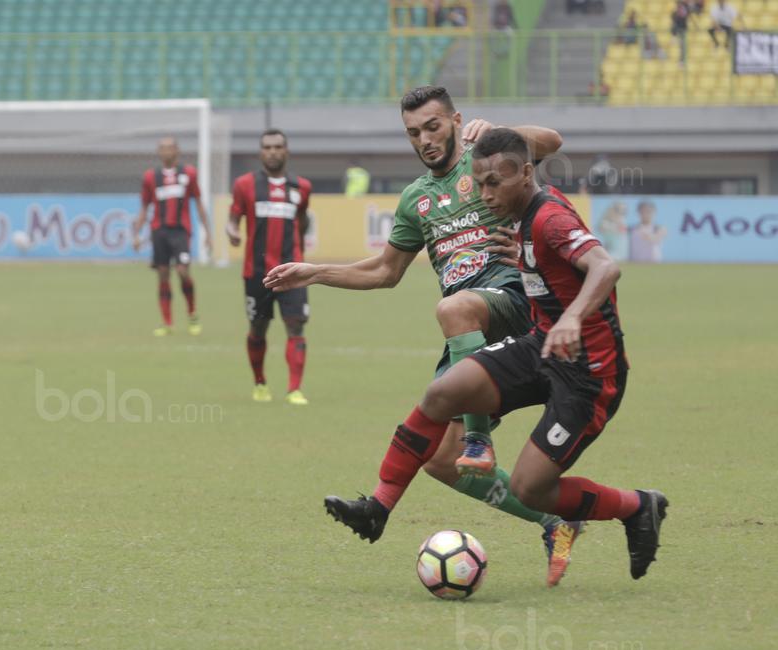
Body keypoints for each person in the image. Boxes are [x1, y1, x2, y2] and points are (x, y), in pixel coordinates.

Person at [264, 86, 584, 586]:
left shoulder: (488, 160)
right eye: (414, 132)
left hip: (518, 306)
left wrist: (502, 132)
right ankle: (554, 521)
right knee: (439, 460)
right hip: (470, 328)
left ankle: (477, 440)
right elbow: (385, 271)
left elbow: (553, 140)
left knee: (454, 308)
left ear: (456, 120)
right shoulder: (416, 199)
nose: (425, 139)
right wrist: (314, 272)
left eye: (433, 126)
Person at [329, 128, 668, 582]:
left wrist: (572, 318)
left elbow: (605, 267)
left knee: (532, 488)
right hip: (541, 346)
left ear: (527, 173)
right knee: (443, 393)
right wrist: (528, 266)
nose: (485, 195)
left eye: (495, 183)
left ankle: (636, 506)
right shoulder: (522, 218)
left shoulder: (548, 219)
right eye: (479, 183)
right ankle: (379, 506)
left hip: (588, 373)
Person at [228, 128, 313, 406]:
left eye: (278, 146)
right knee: (258, 329)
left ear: (286, 151)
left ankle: (294, 389)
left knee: (296, 327)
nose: (273, 151)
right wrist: (232, 232)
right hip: (257, 273)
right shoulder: (244, 185)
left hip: (293, 271)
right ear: (260, 152)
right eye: (267, 147)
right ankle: (260, 383)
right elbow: (233, 217)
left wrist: (300, 254)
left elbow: (302, 221)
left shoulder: (301, 186)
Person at [131, 136, 211, 337]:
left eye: (169, 148)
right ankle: (167, 323)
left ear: (177, 150)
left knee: (183, 271)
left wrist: (208, 233)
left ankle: (192, 314)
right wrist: (137, 234)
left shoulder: (189, 174)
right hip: (159, 231)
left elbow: (199, 203)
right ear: (159, 152)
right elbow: (144, 207)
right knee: (163, 274)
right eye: (162, 148)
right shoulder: (151, 177)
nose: (166, 151)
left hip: (180, 231)